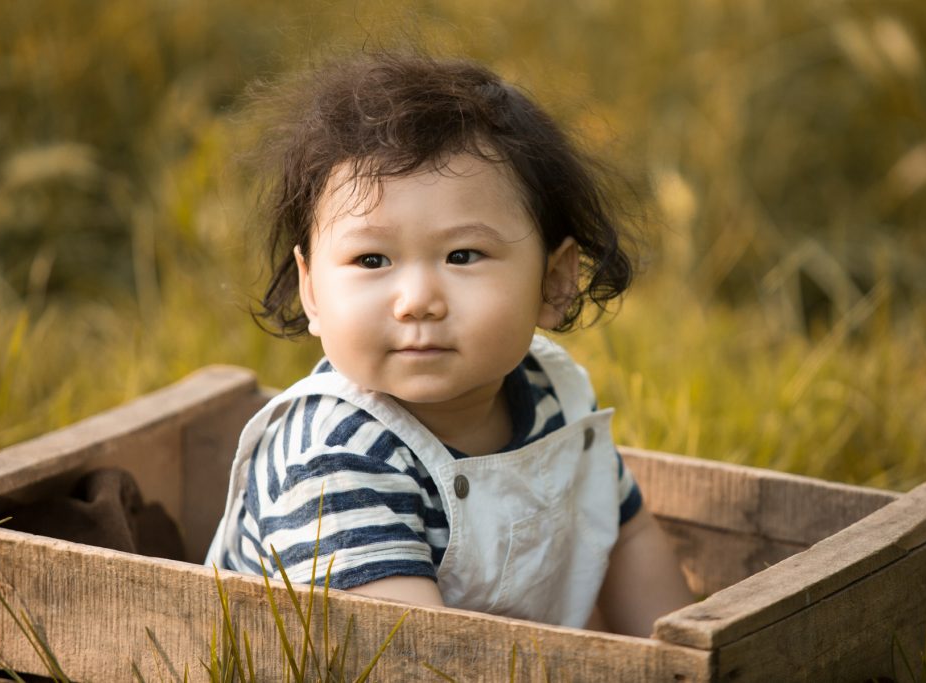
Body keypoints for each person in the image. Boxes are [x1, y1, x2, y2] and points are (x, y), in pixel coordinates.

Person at [205, 53, 692, 636]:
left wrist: (682, 662)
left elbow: (627, 532)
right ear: (312, 291)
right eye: (371, 259)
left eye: (462, 255)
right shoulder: (338, 456)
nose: (416, 300)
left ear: (554, 282)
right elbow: (414, 655)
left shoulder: (554, 397)